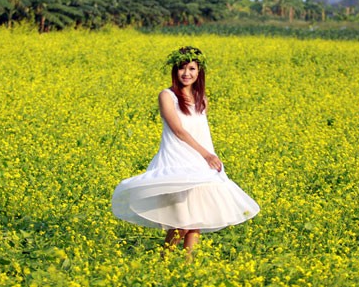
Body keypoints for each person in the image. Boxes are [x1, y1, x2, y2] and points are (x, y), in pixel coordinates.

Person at [111, 46, 260, 256]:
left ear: (199, 71)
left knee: (195, 219)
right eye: (182, 68)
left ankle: (187, 265)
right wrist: (206, 155)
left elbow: (202, 133)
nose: (186, 73)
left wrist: (211, 158)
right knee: (182, 222)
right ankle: (165, 259)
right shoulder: (167, 96)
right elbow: (178, 131)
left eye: (192, 68)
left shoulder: (202, 99)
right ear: (175, 70)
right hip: (176, 161)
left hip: (199, 162)